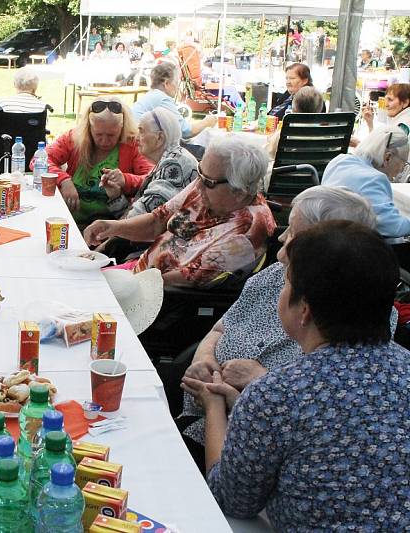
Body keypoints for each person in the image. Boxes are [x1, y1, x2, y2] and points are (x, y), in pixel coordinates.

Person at [182, 220, 410, 531]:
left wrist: (213, 407)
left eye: (286, 283)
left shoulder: (277, 393)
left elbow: (229, 497)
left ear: (304, 310)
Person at [177, 186, 379, 470]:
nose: (281, 238)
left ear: (330, 247)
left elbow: (321, 415)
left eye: (293, 232)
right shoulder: (274, 276)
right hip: (204, 414)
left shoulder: (356, 319)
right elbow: (220, 329)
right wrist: (205, 359)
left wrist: (260, 383)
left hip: (241, 445)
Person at [84, 137, 275, 288]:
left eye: (207, 182)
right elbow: (156, 222)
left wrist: (120, 283)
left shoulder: (246, 235)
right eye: (199, 173)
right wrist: (111, 227)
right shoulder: (211, 185)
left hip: (155, 299)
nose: (197, 185)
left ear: (240, 193)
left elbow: (180, 282)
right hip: (138, 271)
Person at [98, 108, 198, 261]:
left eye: (142, 131)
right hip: (149, 247)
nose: (136, 138)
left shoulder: (174, 164)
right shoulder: (167, 160)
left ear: (159, 138)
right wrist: (115, 196)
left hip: (161, 254)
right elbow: (137, 220)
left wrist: (100, 249)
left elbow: (142, 222)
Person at [45, 97, 154, 229]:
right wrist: (63, 180)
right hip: (69, 223)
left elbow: (152, 178)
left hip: (111, 226)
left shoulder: (133, 143)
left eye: (111, 135)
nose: (104, 141)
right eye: (98, 134)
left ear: (122, 128)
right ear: (89, 128)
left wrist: (125, 180)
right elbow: (40, 160)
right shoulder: (74, 138)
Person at [321, 126, 410, 238]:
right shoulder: (374, 179)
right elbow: (393, 227)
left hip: (328, 235)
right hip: (352, 245)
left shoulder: (339, 161)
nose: (402, 169)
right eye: (403, 162)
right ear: (388, 157)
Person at [132, 62, 216, 139]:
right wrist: (208, 121)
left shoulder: (152, 95)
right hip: (142, 147)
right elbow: (186, 131)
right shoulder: (162, 99)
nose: (177, 87)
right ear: (166, 83)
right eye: (176, 82)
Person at [0, 67, 49, 136]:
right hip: (35, 146)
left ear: (14, 84)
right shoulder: (42, 107)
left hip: (3, 146)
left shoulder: (1, 105)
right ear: (36, 86)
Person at [265, 86, 324, 157]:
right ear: (320, 110)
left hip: (288, 168)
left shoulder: (284, 133)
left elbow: (270, 153)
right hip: (317, 168)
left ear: (294, 108)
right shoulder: (325, 135)